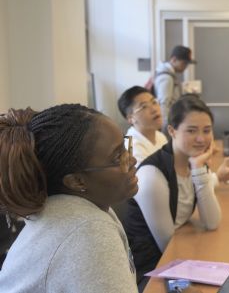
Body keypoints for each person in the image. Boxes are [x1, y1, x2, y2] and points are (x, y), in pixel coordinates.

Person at [0, 104, 139, 292]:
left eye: (125, 147)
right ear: (76, 181)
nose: (132, 160)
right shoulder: (89, 231)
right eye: (117, 157)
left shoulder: (84, 208)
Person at [120, 95, 229, 290]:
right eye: (191, 131)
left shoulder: (194, 162)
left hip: (176, 255)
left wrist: (198, 168)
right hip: (150, 270)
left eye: (207, 130)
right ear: (172, 131)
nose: (201, 138)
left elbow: (212, 222)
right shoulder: (152, 174)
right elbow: (168, 246)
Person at [118, 86, 168, 166]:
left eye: (154, 102)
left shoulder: (160, 136)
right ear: (131, 118)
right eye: (144, 106)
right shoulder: (131, 147)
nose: (154, 109)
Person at [155, 45, 196, 132]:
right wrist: (166, 128)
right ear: (173, 60)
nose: (185, 67)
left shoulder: (169, 75)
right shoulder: (166, 77)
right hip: (167, 124)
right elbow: (164, 103)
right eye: (184, 63)